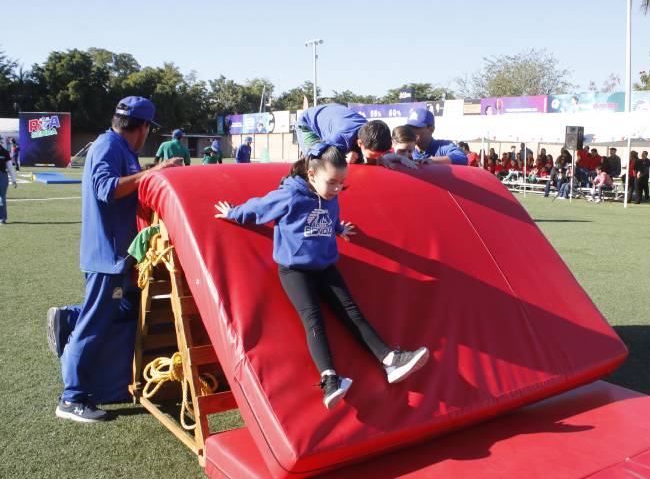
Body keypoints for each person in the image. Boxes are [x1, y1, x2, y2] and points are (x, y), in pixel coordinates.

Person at [213, 143, 429, 409]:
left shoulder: (330, 195)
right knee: (313, 319)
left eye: (341, 182)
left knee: (353, 313)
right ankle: (330, 379)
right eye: (332, 182)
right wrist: (233, 212)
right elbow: (260, 208)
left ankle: (390, 361)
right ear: (312, 176)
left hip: (325, 265)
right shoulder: (291, 195)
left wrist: (338, 228)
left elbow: (327, 215)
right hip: (295, 270)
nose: (337, 189)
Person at [47, 96, 183, 422]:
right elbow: (106, 189)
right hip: (107, 257)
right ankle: (71, 398)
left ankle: (72, 322)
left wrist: (150, 172)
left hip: (122, 256)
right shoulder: (108, 147)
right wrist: (155, 172)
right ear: (144, 127)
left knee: (126, 313)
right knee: (96, 323)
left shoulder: (120, 148)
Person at [297, 103, 393, 166]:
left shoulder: (370, 130)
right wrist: (342, 159)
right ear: (360, 143)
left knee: (358, 158)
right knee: (315, 163)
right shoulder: (340, 138)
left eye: (380, 154)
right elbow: (314, 155)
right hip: (308, 122)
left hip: (334, 114)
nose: (378, 157)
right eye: (376, 154)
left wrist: (381, 158)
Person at [0, 141, 18, 223]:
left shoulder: (4, 152)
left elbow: (10, 167)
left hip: (2, 176)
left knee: (2, 198)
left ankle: (2, 218)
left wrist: (14, 179)